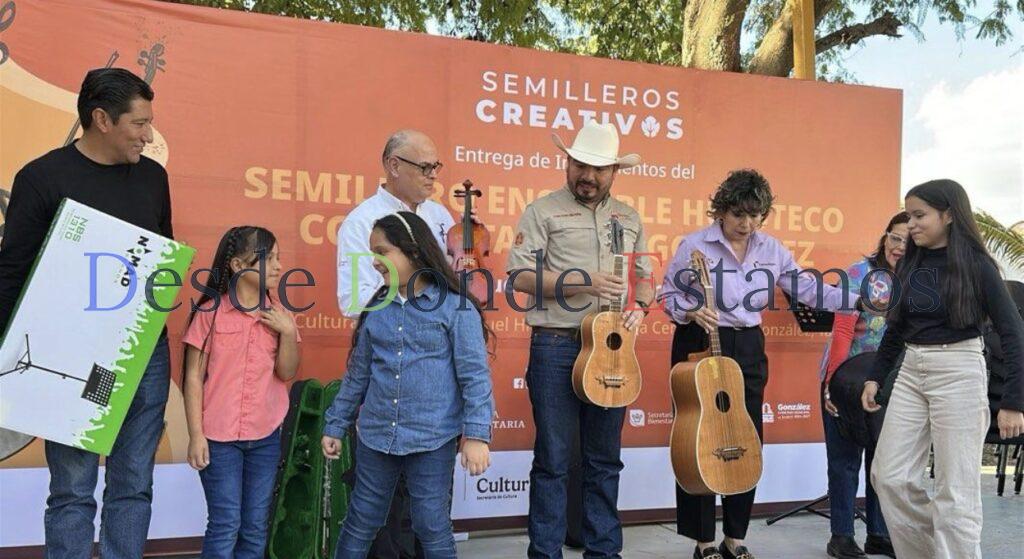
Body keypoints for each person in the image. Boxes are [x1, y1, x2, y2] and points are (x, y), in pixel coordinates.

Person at [0, 67, 172, 559]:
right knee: (73, 489)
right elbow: (12, 272)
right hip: (67, 357)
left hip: (142, 353)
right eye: (139, 123)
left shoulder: (154, 177)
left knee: (133, 485)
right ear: (101, 119)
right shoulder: (41, 178)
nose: (148, 135)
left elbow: (163, 256)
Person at [659, 169, 867, 559]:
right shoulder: (694, 245)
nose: (747, 223)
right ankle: (703, 541)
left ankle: (735, 537)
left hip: (748, 344)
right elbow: (668, 294)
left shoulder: (771, 249)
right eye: (739, 214)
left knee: (746, 436)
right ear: (721, 210)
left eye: (755, 215)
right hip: (699, 339)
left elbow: (806, 288)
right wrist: (689, 312)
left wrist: (856, 300)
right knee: (697, 436)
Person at [507, 120, 654, 559]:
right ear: (567, 163)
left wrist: (641, 306)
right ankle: (545, 553)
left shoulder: (630, 217)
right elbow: (520, 277)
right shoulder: (541, 211)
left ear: (615, 171)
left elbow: (645, 278)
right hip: (556, 345)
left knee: (604, 460)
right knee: (553, 460)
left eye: (598, 169)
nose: (587, 176)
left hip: (612, 348)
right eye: (579, 165)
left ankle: (604, 553)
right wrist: (585, 281)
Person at [861, 179, 1024, 559]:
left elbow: (1013, 332)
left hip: (959, 370)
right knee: (889, 477)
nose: (911, 225)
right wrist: (875, 376)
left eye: (920, 215)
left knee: (956, 494)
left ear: (948, 215)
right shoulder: (911, 264)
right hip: (911, 371)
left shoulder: (978, 267)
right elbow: (896, 328)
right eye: (909, 216)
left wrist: (1014, 401)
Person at [322, 211, 494, 559]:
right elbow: (358, 374)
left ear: (413, 251)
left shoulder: (455, 308)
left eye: (382, 252)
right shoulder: (376, 308)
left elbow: (475, 376)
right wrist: (336, 424)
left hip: (433, 438)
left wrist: (477, 435)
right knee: (361, 519)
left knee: (431, 524)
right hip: (376, 435)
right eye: (372, 253)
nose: (374, 262)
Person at [335, 129, 458, 558]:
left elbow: (451, 289)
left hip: (436, 391)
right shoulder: (362, 221)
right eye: (424, 167)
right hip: (389, 383)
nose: (433, 175)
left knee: (431, 513)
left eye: (435, 166)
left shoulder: (441, 216)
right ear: (393, 166)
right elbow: (355, 301)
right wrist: (416, 311)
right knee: (379, 513)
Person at [182, 226, 301, 559]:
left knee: (255, 526)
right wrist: (196, 435)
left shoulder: (282, 316)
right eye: (268, 259)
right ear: (237, 265)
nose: (278, 266)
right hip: (219, 439)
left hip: (265, 437)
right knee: (225, 523)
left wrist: (287, 333)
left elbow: (287, 372)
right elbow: (193, 377)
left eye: (279, 258)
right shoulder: (210, 313)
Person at [818, 212, 908, 559]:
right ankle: (841, 536)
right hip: (846, 378)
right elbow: (843, 330)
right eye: (895, 238)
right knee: (844, 461)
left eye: (908, 241)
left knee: (881, 461)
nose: (900, 247)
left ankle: (879, 534)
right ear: (885, 237)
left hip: (889, 381)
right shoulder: (859, 274)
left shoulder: (917, 280)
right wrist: (831, 384)